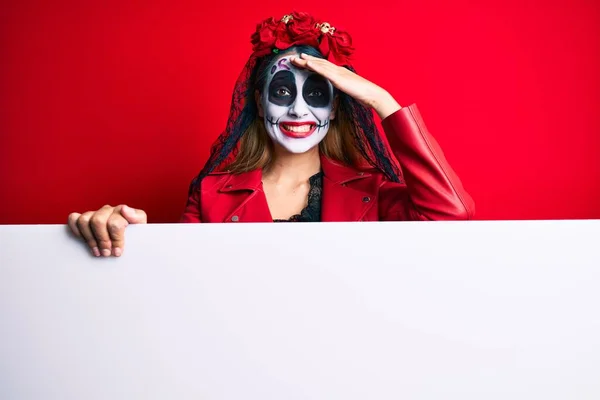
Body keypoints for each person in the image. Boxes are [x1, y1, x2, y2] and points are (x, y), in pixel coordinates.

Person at [68, 11, 475, 258]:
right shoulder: (210, 197)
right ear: (259, 103)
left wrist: (381, 100)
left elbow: (450, 213)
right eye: (281, 92)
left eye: (316, 94)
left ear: (335, 106)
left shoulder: (374, 191)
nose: (299, 109)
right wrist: (134, 239)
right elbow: (177, 282)